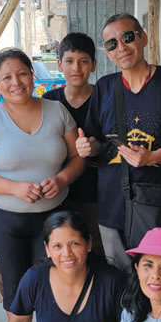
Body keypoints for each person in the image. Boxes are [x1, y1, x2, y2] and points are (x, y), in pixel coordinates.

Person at [0, 48, 85, 322]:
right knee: (17, 285)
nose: (16, 82)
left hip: (52, 217)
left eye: (22, 74)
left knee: (54, 279)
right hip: (6, 218)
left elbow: (77, 159)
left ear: (33, 75)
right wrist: (13, 188)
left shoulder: (57, 112)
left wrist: (60, 180)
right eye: (6, 77)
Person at [77, 13, 161, 271]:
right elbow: (96, 139)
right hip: (112, 203)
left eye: (127, 37)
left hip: (160, 203)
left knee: (160, 279)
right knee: (121, 283)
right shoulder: (105, 88)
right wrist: (87, 147)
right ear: (107, 53)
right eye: (112, 44)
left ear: (143, 38)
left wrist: (157, 156)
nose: (121, 47)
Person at [42, 32, 104, 257]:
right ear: (59, 64)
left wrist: (93, 146)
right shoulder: (48, 101)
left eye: (83, 61)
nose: (76, 68)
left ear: (94, 65)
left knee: (95, 247)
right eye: (69, 61)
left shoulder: (104, 98)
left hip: (97, 191)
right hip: (57, 192)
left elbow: (110, 140)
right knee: (66, 249)